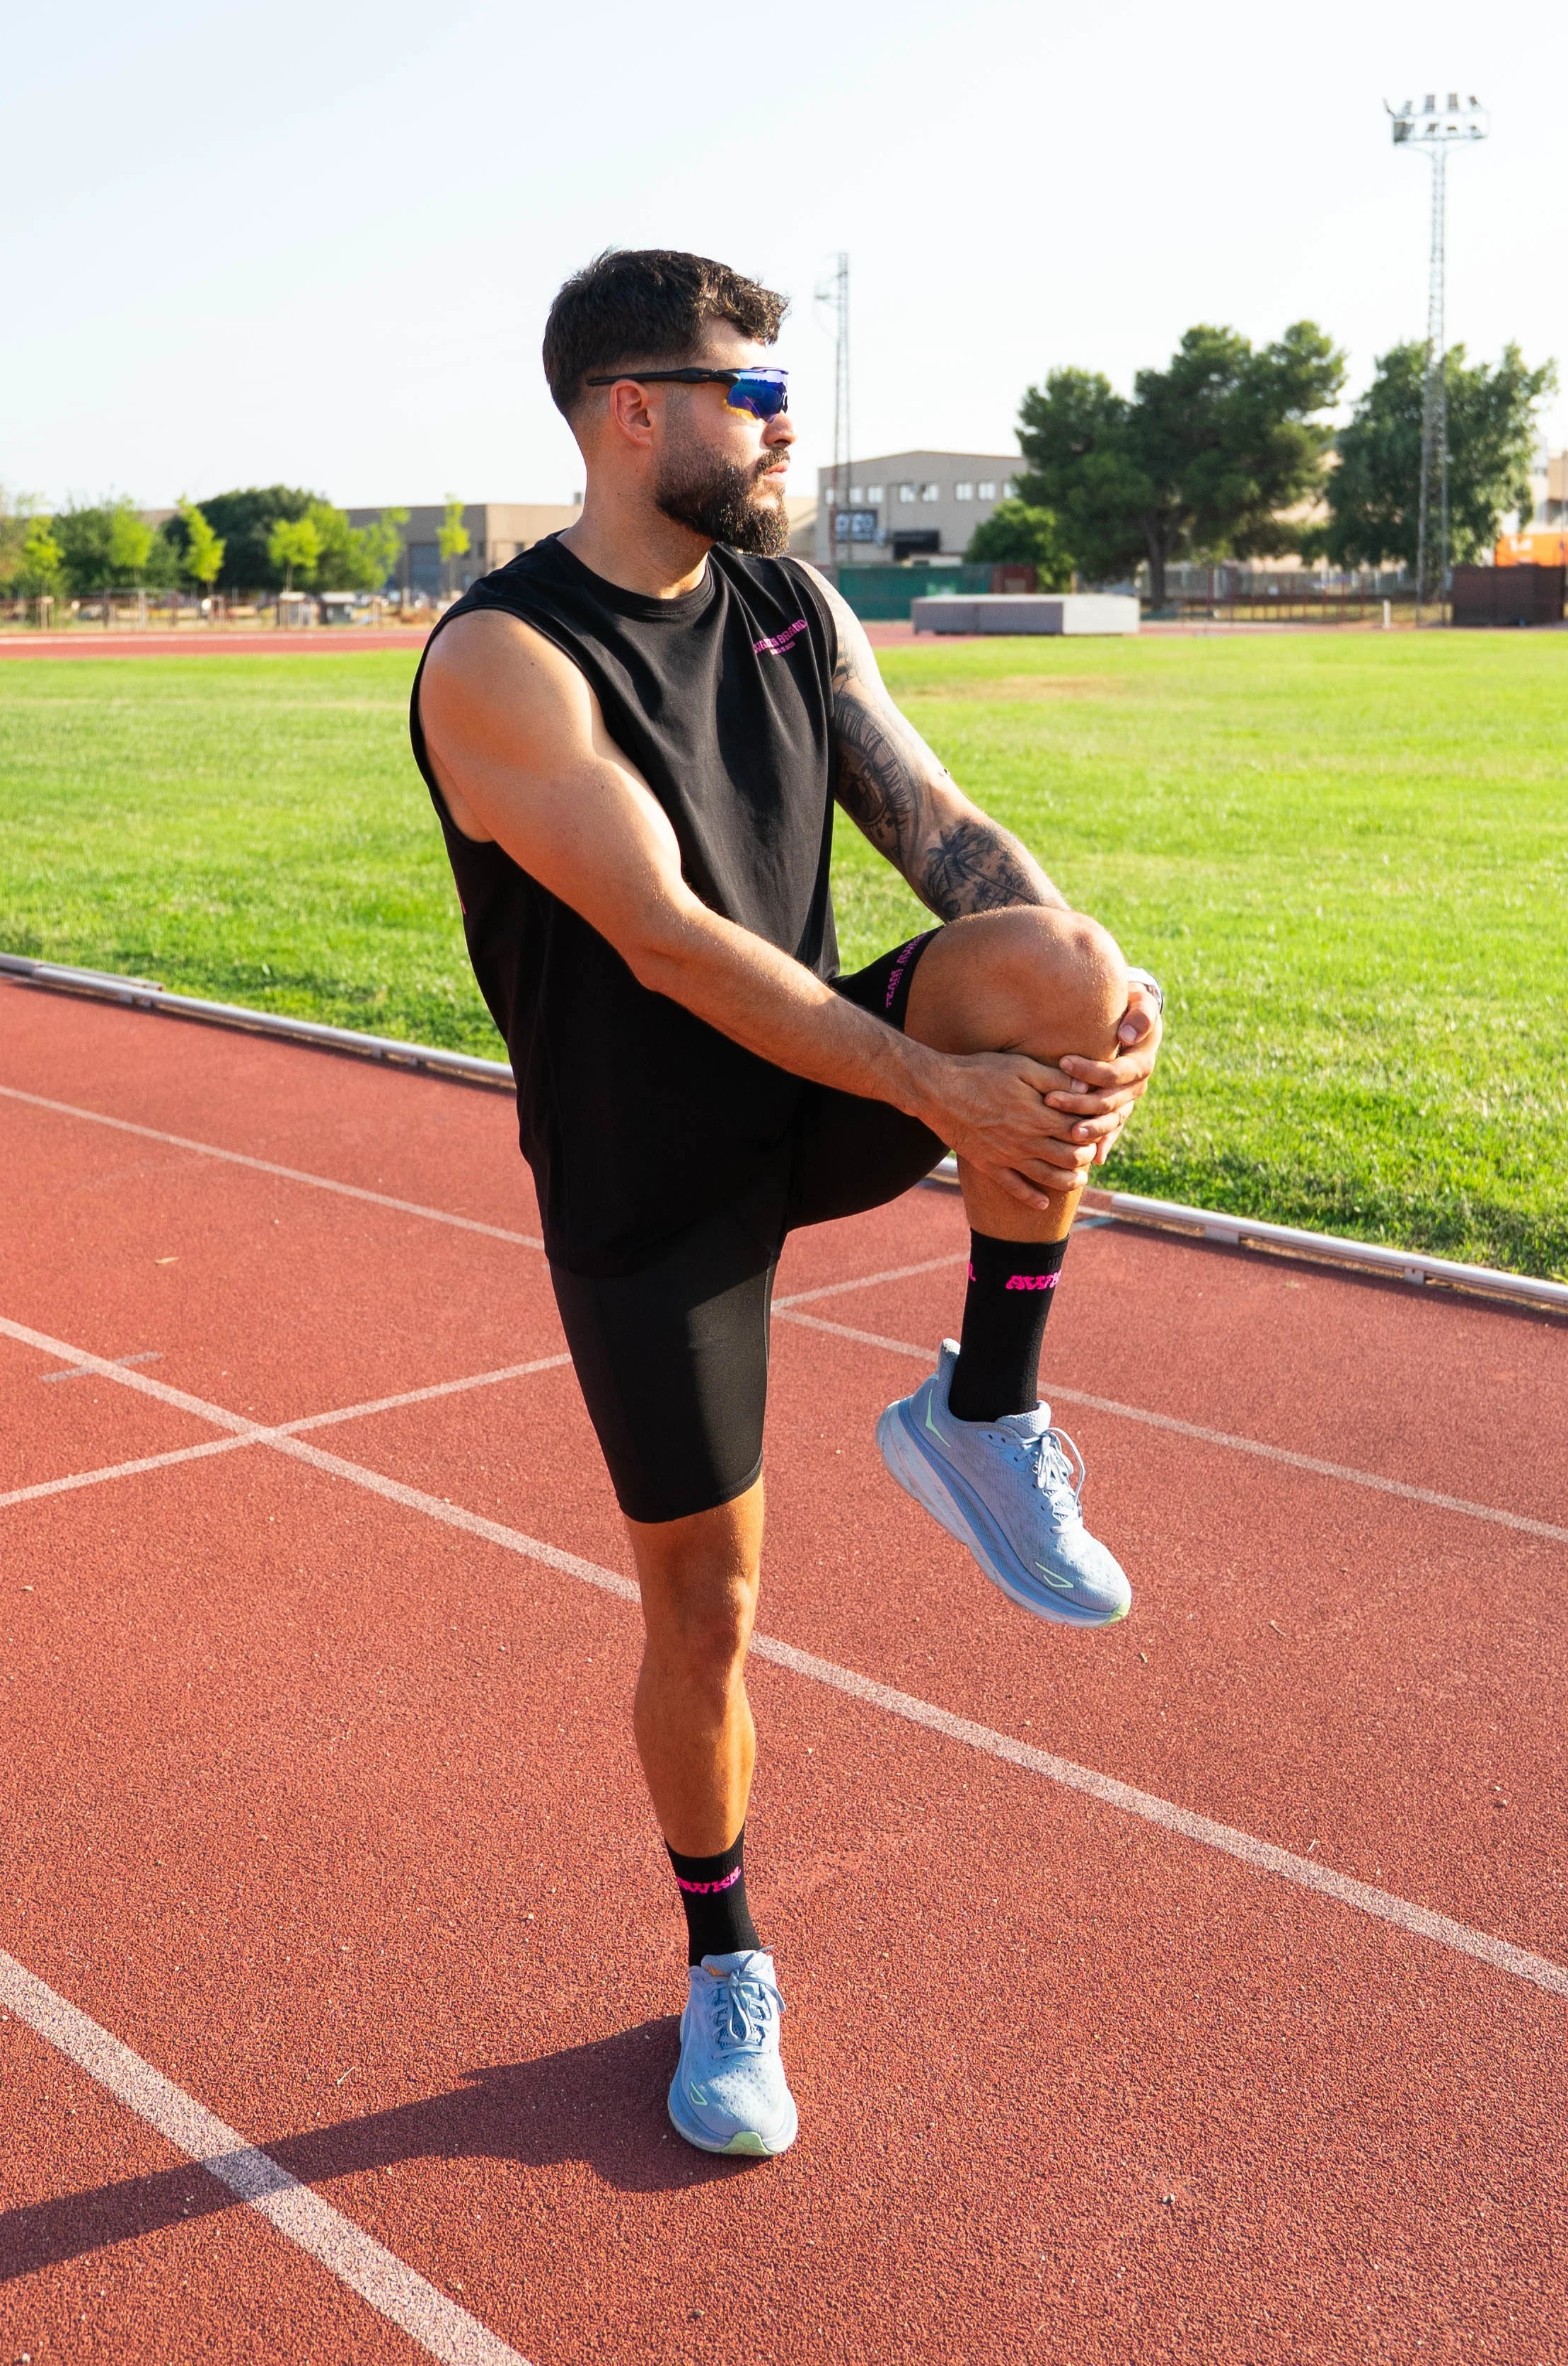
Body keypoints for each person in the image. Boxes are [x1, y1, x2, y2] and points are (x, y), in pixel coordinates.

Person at [411, 249, 1163, 2160]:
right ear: (630, 412)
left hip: (818, 1090)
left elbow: (941, 828)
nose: (783, 421)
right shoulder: (504, 658)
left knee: (1054, 969)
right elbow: (664, 942)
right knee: (705, 1602)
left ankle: (984, 1409)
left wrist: (1087, 986)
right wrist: (934, 1081)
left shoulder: (792, 604)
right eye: (750, 392)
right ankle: (723, 1956)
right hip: (654, 1171)